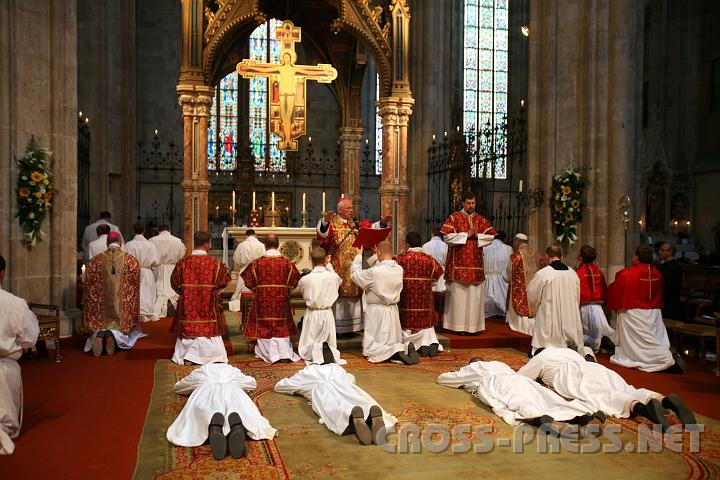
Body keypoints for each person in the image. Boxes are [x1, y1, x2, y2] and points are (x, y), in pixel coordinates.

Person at [517, 347, 696, 432]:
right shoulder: (567, 351)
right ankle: (663, 399)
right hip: (594, 368)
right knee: (626, 387)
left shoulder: (542, 357)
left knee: (602, 395)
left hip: (568, 375)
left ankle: (643, 410)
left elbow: (521, 378)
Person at [437, 357, 599, 429]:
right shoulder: (499, 363)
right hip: (520, 379)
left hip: (497, 383)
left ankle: (541, 420)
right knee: (543, 395)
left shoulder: (474, 368)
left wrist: (460, 373)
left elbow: (444, 379)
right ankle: (579, 414)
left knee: (517, 400)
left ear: (474, 363)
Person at [166, 363, 277, 460]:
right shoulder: (232, 370)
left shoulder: (201, 371)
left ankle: (213, 423)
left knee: (205, 410)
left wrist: (194, 387)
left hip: (205, 390)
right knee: (238, 407)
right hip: (232, 390)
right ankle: (237, 426)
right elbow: (251, 383)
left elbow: (179, 387)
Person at [317, 197, 390, 336]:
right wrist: (325, 221)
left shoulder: (355, 224)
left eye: (351, 208)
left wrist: (382, 223)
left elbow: (370, 232)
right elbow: (322, 235)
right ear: (340, 209)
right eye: (348, 208)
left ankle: (352, 327)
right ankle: (338, 328)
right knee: (338, 293)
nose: (351, 211)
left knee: (354, 290)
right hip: (337, 266)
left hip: (354, 264)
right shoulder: (332, 223)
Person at [274, 363, 397, 445]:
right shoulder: (337, 368)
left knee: (334, 407)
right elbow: (351, 379)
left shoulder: (306, 372)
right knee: (360, 399)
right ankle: (369, 415)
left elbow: (280, 386)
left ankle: (350, 418)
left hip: (322, 391)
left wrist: (295, 384)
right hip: (346, 388)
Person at [608, 244, 686, 373]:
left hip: (633, 312)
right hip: (652, 313)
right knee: (651, 337)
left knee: (636, 341)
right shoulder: (658, 274)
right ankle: (661, 357)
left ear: (636, 257)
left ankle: (648, 359)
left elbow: (614, 290)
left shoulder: (626, 274)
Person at [170, 231, 231, 365]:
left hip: (188, 306)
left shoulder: (182, 264)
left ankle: (188, 355)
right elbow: (224, 281)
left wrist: (186, 292)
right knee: (208, 330)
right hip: (208, 305)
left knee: (191, 329)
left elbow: (174, 283)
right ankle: (210, 356)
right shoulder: (216, 264)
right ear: (207, 244)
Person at [440, 191, 496, 334]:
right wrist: (466, 235)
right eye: (469, 203)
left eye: (473, 203)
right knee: (459, 297)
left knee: (474, 297)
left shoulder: (481, 220)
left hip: (475, 266)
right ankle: (457, 327)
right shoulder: (454, 218)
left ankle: (473, 328)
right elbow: (447, 237)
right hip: (458, 265)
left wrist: (477, 235)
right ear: (463, 203)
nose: (471, 206)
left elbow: (491, 236)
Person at [0, 255, 40, 455]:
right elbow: (30, 338)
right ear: (2, 274)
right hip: (5, 368)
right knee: (4, 420)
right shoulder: (14, 303)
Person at [350, 240, 413, 364]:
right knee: (391, 339)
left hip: (377, 311)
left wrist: (358, 256)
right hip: (393, 309)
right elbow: (382, 265)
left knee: (374, 347)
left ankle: (394, 350)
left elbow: (356, 276)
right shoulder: (399, 269)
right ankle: (400, 348)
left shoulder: (375, 272)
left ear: (378, 252)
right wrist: (377, 254)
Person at [83, 232, 145, 356]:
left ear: (107, 243)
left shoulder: (94, 262)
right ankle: (113, 335)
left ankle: (100, 334)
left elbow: (89, 283)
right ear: (120, 243)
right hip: (120, 314)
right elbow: (135, 284)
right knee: (123, 327)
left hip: (101, 313)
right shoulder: (131, 261)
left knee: (100, 324)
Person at [242, 234, 301, 364]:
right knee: (281, 326)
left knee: (265, 325)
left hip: (262, 302)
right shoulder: (287, 264)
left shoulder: (256, 263)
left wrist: (258, 292)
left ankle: (267, 353)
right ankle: (284, 352)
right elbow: (294, 282)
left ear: (265, 245)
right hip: (281, 302)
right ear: (278, 245)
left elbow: (248, 281)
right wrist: (286, 292)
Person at [528, 245, 585, 357]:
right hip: (569, 312)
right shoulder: (573, 273)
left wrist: (538, 304)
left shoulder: (543, 273)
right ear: (562, 257)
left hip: (550, 312)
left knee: (547, 330)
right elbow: (577, 296)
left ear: (546, 256)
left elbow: (532, 294)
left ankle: (544, 351)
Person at [396, 231, 444, 357]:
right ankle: (426, 343)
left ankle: (409, 344)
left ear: (407, 244)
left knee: (406, 325)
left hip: (406, 302)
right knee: (426, 325)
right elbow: (438, 274)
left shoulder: (400, 259)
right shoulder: (430, 260)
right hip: (424, 302)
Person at [296, 247, 344, 365]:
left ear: (311, 260)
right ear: (325, 259)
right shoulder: (333, 277)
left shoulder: (306, 279)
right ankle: (325, 354)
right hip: (327, 313)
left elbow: (301, 292)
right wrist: (329, 265)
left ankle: (315, 354)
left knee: (311, 341)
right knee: (327, 340)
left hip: (312, 313)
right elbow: (338, 281)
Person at [576, 245, 616, 352]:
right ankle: (607, 341)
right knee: (603, 329)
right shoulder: (598, 271)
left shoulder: (578, 273)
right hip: (598, 308)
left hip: (584, 308)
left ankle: (598, 342)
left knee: (582, 334)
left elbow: (575, 291)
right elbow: (604, 288)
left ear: (581, 257)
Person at [124, 221, 161, 322]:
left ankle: (141, 312)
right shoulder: (150, 245)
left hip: (133, 271)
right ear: (144, 231)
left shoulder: (128, 245)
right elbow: (156, 261)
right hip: (146, 271)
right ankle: (145, 313)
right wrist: (151, 268)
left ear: (133, 230)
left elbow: (124, 260)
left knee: (138, 291)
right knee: (147, 292)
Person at [506, 234, 543, 335]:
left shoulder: (516, 256)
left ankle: (520, 327)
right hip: (534, 290)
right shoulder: (537, 255)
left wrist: (508, 279)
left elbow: (508, 273)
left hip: (520, 290)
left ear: (517, 242)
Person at [149, 225, 186, 318]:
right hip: (172, 268)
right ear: (169, 230)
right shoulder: (177, 241)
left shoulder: (152, 240)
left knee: (159, 289)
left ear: (159, 231)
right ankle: (173, 304)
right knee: (172, 288)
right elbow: (182, 254)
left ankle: (161, 306)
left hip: (158, 268)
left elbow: (149, 254)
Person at [229, 229, 266, 308]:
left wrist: (243, 265)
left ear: (246, 236)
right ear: (255, 235)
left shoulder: (241, 245)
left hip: (244, 270)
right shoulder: (261, 245)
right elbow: (264, 258)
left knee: (242, 290)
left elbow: (236, 258)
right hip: (257, 271)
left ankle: (241, 302)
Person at [483, 231, 512, 318]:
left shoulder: (485, 248)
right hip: (501, 278)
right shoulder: (508, 248)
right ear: (504, 238)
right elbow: (509, 266)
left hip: (487, 277)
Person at [657, 243, 682, 321]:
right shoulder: (664, 265)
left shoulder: (674, 267)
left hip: (670, 302)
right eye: (660, 249)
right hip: (662, 300)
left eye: (662, 250)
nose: (659, 252)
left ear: (670, 252)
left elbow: (671, 286)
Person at [422, 227, 448, 293]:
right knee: (442, 297)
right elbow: (447, 260)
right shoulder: (445, 245)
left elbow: (424, 261)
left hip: (430, 273)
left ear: (432, 234)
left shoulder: (425, 246)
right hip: (442, 273)